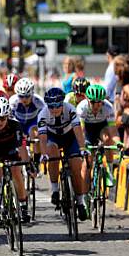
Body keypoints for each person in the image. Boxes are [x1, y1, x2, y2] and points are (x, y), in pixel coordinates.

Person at [37, 87, 89, 221]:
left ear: (62, 103)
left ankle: (80, 202)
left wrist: (82, 148)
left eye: (57, 106)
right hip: (52, 138)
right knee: (52, 153)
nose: (54, 109)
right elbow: (42, 137)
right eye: (51, 106)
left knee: (76, 166)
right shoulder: (43, 114)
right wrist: (43, 154)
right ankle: (55, 189)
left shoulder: (70, 109)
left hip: (70, 138)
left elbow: (78, 129)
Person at [0, 97, 32, 224]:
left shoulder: (15, 124)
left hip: (10, 150)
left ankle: (23, 206)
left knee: (16, 172)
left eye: (3, 118)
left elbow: (22, 148)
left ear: (7, 116)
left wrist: (28, 166)